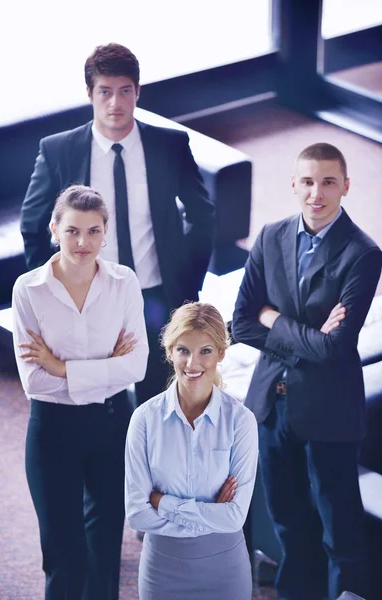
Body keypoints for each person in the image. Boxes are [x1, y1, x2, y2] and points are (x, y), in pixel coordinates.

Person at [20, 42, 215, 407]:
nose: (115, 103)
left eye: (125, 91)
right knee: (93, 394)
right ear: (90, 94)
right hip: (87, 295)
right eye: (105, 92)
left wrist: (188, 281)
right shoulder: (59, 150)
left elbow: (202, 214)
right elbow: (32, 225)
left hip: (154, 293)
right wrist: (51, 293)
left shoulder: (169, 144)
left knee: (160, 396)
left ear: (137, 92)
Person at [232, 143, 382, 600]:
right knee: (289, 527)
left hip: (330, 412)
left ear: (346, 186)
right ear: (293, 184)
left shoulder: (363, 253)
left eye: (329, 182)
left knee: (340, 535)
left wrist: (274, 320)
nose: (317, 193)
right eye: (308, 182)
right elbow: (241, 322)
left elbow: (337, 348)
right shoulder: (270, 236)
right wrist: (308, 339)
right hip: (272, 408)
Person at [12, 185, 149, 600]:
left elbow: (137, 366)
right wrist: (105, 368)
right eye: (72, 231)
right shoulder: (29, 290)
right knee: (62, 552)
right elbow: (34, 381)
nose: (83, 242)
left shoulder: (124, 282)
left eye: (93, 231)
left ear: (105, 232)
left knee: (104, 551)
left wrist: (62, 367)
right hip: (52, 428)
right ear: (54, 229)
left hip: (111, 423)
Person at [125, 302, 258, 600]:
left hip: (224, 570)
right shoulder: (144, 420)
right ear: (170, 351)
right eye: (183, 350)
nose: (192, 363)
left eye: (205, 351)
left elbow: (235, 518)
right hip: (162, 571)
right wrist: (211, 514)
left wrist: (162, 502)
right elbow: (137, 515)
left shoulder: (241, 421)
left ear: (221, 354)